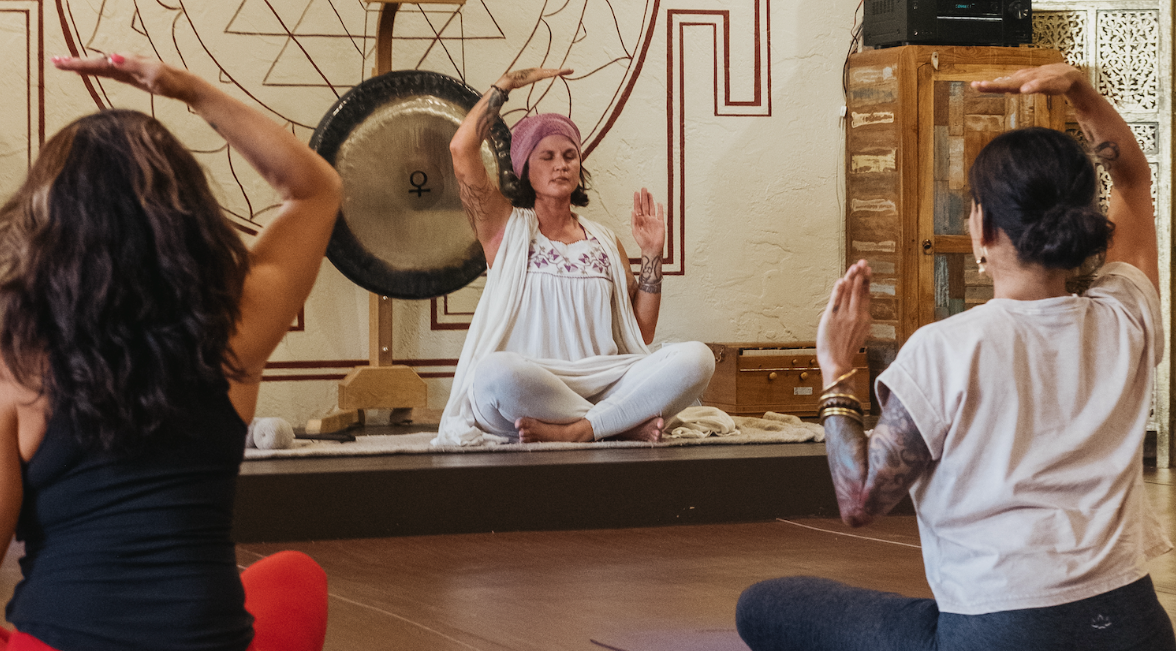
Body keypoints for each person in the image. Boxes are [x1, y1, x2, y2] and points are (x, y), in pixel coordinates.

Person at [0, 53, 342, 651]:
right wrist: (187, 90)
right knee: (295, 576)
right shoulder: (235, 326)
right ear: (186, 218)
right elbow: (317, 189)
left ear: (45, 226)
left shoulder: (11, 363)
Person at [735, 63, 1176, 650]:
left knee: (765, 605)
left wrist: (837, 370)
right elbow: (1133, 182)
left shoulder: (944, 349)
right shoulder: (1127, 316)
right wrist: (1081, 91)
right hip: (1134, 627)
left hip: (1003, 634)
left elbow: (859, 500)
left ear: (984, 227)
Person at [433, 68, 715, 446]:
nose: (560, 164)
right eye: (546, 156)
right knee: (495, 373)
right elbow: (461, 148)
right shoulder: (505, 228)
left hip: (604, 382)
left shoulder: (604, 241)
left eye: (569, 155)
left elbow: (641, 331)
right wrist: (505, 85)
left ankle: (579, 430)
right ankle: (620, 425)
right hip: (534, 387)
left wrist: (651, 254)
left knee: (697, 359)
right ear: (524, 169)